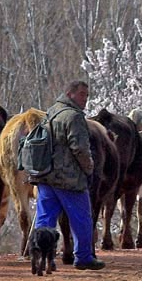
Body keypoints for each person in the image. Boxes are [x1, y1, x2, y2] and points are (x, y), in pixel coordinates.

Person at [33, 80, 104, 270]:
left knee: (45, 219)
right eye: (82, 94)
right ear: (70, 94)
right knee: (82, 219)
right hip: (69, 179)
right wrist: (89, 168)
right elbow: (79, 148)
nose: (85, 100)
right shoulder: (74, 117)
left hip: (46, 176)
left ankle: (41, 256)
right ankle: (83, 257)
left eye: (87, 96)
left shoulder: (51, 111)